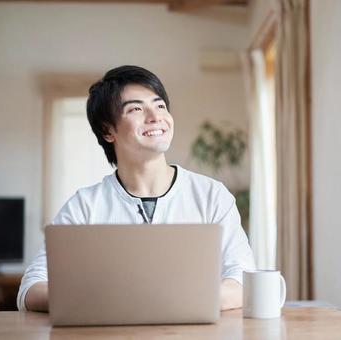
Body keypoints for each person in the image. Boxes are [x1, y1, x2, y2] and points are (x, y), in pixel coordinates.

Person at [17, 65, 255, 312]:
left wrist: (167, 301)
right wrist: (103, 300)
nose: (155, 117)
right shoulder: (85, 205)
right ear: (108, 130)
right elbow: (31, 287)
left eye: (160, 105)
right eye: (136, 109)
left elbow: (243, 281)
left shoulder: (212, 196)